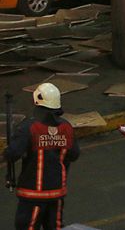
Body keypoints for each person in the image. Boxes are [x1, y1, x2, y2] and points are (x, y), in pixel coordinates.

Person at [4, 83, 80, 230]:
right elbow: (74, 154)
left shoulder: (29, 127)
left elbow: (12, 153)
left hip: (33, 195)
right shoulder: (67, 127)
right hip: (57, 193)